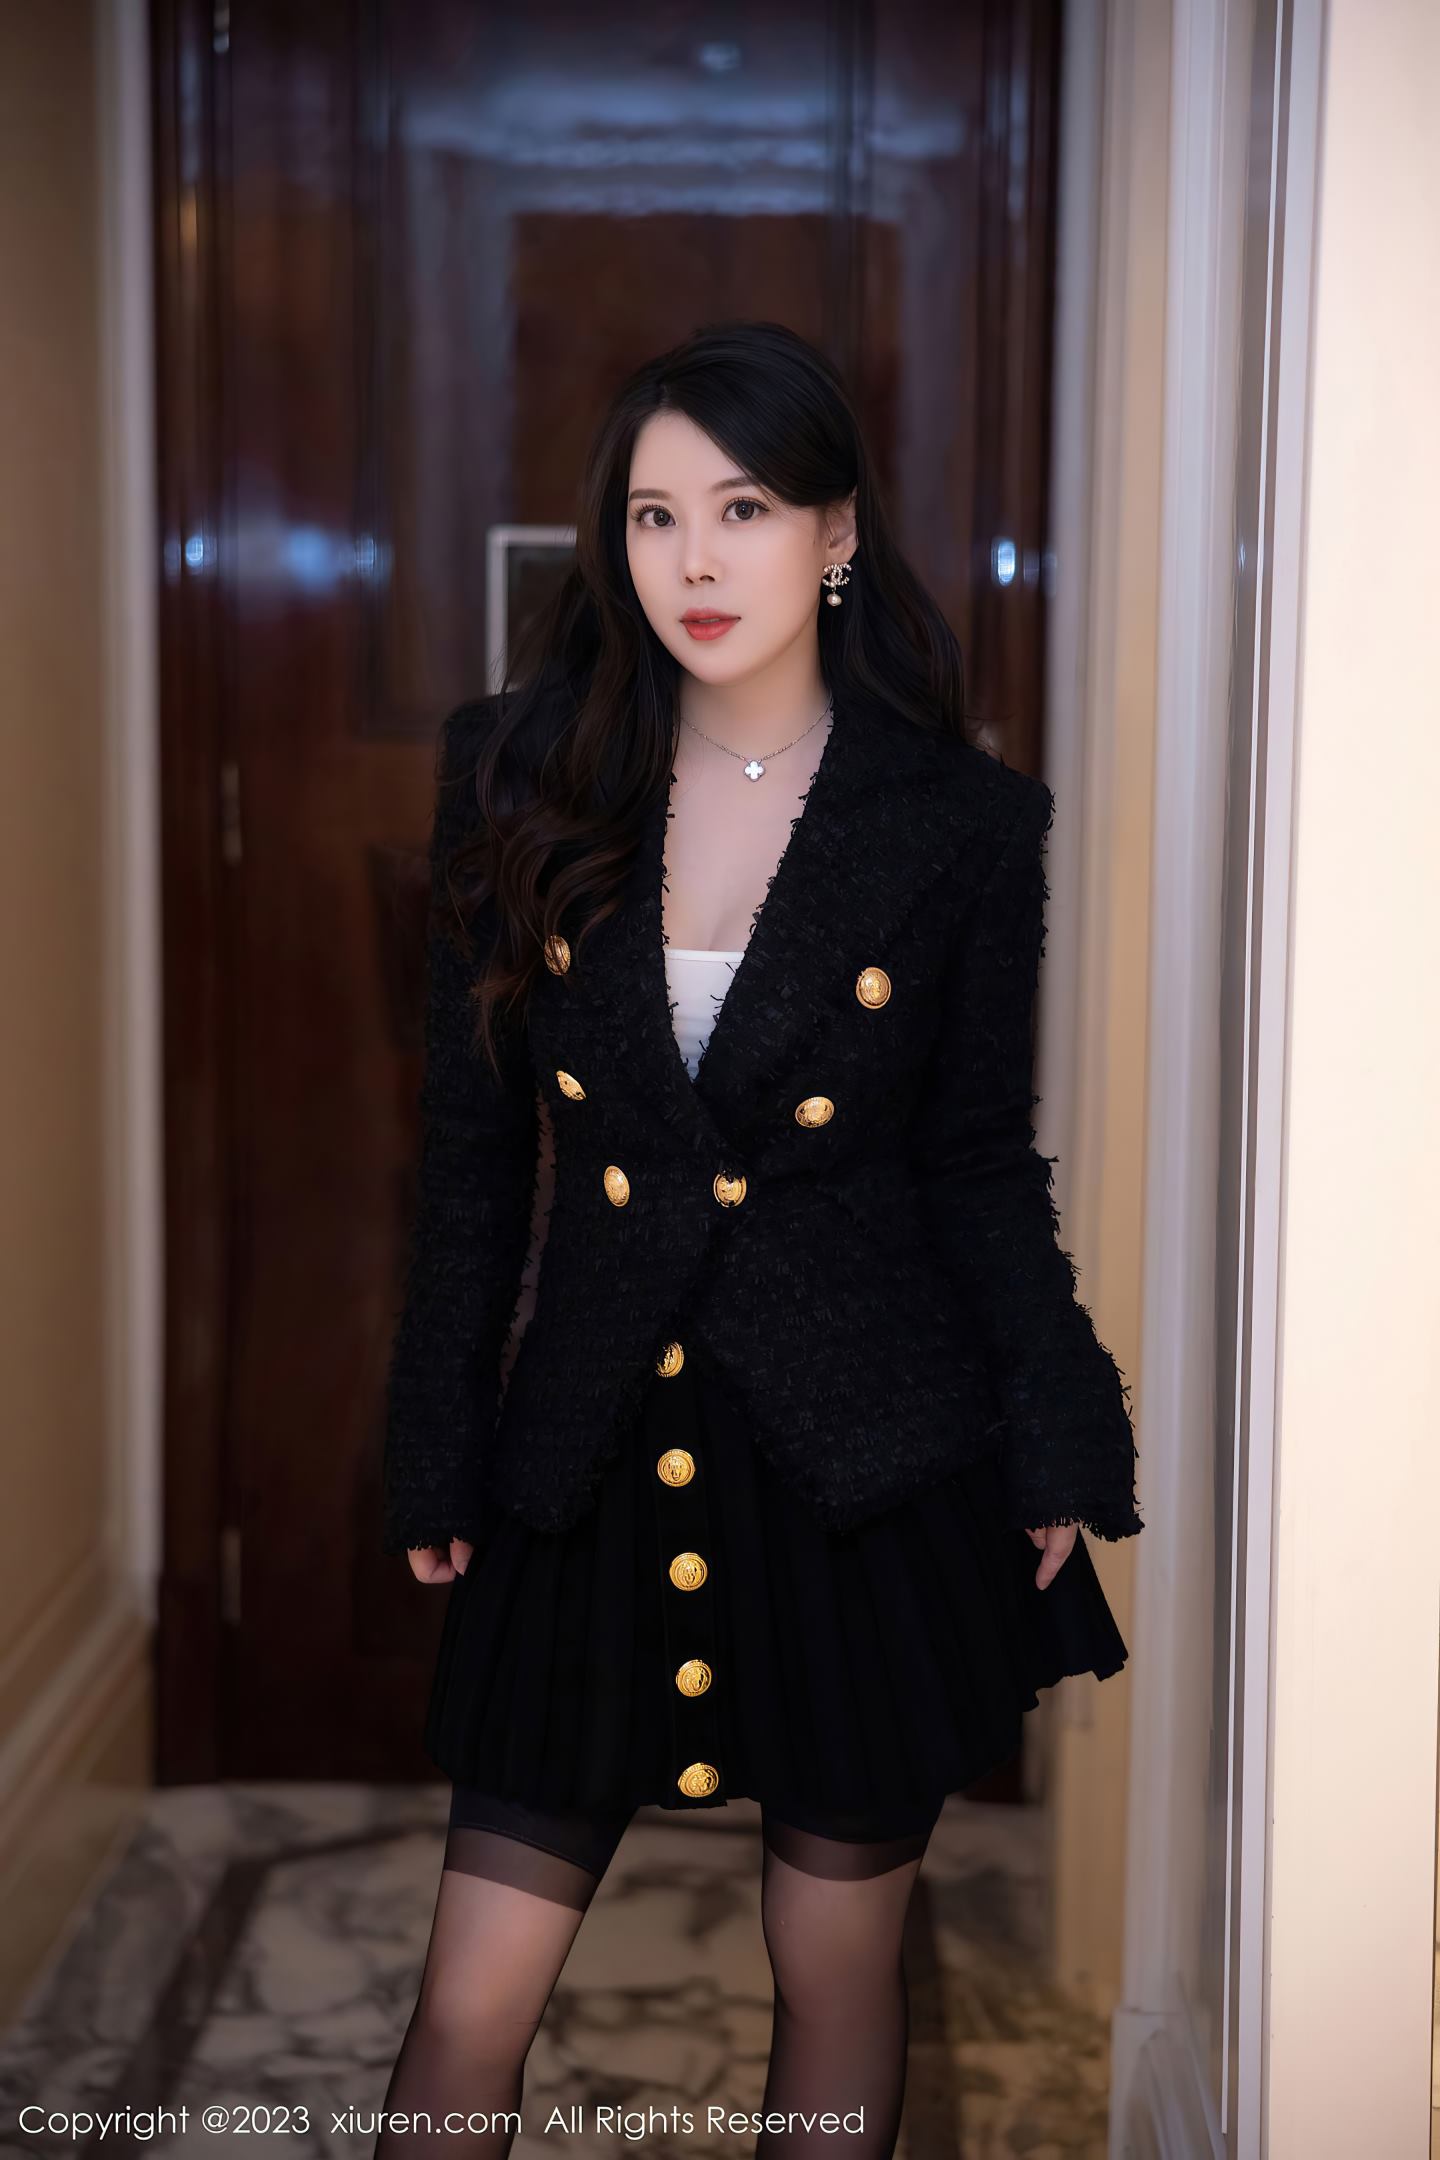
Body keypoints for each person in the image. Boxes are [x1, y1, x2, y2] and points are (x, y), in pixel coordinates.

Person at [374, 320, 1144, 2158]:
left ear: (836, 531)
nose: (695, 562)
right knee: (469, 2001)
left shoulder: (960, 823)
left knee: (835, 1972)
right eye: (654, 517)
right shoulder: (518, 772)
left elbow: (977, 1161)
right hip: (590, 1445)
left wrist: (1055, 1428)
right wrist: (436, 1440)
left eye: (743, 508)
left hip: (864, 1459)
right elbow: (470, 1160)